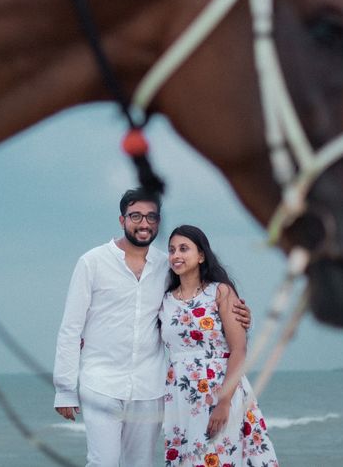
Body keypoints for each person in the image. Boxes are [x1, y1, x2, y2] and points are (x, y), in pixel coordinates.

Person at [53, 189, 251, 467]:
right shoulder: (92, 262)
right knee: (103, 462)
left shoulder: (166, 265)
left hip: (151, 387)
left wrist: (238, 315)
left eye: (151, 217)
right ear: (122, 220)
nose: (144, 223)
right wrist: (64, 388)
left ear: (158, 222)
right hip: (100, 382)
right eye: (136, 216)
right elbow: (71, 328)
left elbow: (193, 306)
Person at [161, 224, 279, 467]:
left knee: (222, 457)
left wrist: (223, 402)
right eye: (172, 250)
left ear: (201, 255)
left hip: (220, 389)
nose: (176, 255)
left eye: (184, 249)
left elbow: (239, 349)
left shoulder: (220, 292)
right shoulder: (165, 300)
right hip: (181, 397)